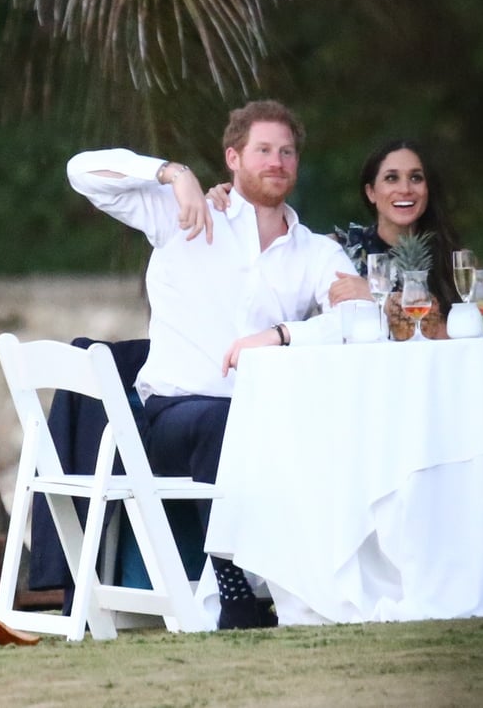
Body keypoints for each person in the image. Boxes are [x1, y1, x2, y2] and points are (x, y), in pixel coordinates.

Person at [68, 99, 360, 629]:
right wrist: (172, 173)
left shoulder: (316, 252)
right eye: (264, 150)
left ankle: (324, 587)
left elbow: (359, 318)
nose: (277, 161)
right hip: (173, 420)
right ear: (233, 157)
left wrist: (282, 334)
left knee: (326, 428)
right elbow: (82, 172)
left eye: (287, 152)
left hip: (268, 421)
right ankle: (232, 593)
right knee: (224, 421)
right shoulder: (186, 213)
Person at [208, 139, 465, 338]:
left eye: (416, 178)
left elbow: (455, 335)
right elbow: (282, 250)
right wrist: (234, 198)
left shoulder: (447, 256)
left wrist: (374, 295)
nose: (405, 188)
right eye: (391, 178)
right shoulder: (339, 249)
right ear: (371, 192)